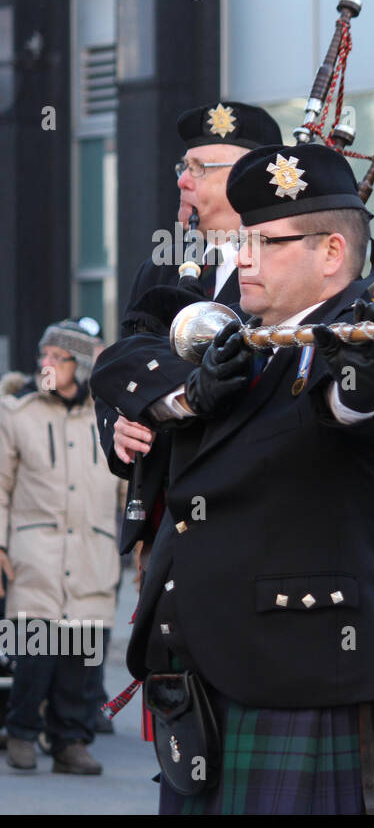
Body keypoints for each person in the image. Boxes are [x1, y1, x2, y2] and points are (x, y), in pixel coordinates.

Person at [102, 142, 374, 813]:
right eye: (244, 240)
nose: (245, 259)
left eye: (268, 242)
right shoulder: (237, 346)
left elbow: (365, 408)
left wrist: (360, 369)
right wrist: (189, 397)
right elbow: (122, 366)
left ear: (332, 255)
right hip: (200, 679)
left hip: (314, 675)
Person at [98, 102, 284, 560]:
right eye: (185, 166)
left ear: (246, 179)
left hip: (248, 522)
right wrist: (119, 428)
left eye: (200, 168)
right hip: (166, 520)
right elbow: (123, 363)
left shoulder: (282, 270)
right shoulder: (161, 266)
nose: (182, 179)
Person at [1, 320, 124, 774]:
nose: (46, 364)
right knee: (32, 657)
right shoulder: (16, 412)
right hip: (34, 555)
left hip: (93, 555)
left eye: (58, 357)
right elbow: (0, 486)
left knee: (81, 662)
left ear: (82, 366)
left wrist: (139, 542)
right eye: (43, 356)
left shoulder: (108, 414)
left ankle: (71, 742)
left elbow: (127, 490)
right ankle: (20, 733)